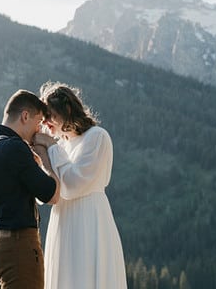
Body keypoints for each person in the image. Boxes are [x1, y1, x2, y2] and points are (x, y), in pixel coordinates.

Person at [33, 81, 128, 289]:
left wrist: (50, 146)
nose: (46, 122)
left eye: (49, 114)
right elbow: (45, 193)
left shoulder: (96, 137)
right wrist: (42, 155)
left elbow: (72, 185)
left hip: (89, 219)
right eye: (43, 118)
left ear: (67, 109)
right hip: (63, 219)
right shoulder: (61, 145)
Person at [0, 89, 60, 289]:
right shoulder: (14, 147)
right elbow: (51, 194)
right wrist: (44, 154)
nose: (39, 130)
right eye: (38, 123)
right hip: (17, 249)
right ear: (25, 116)